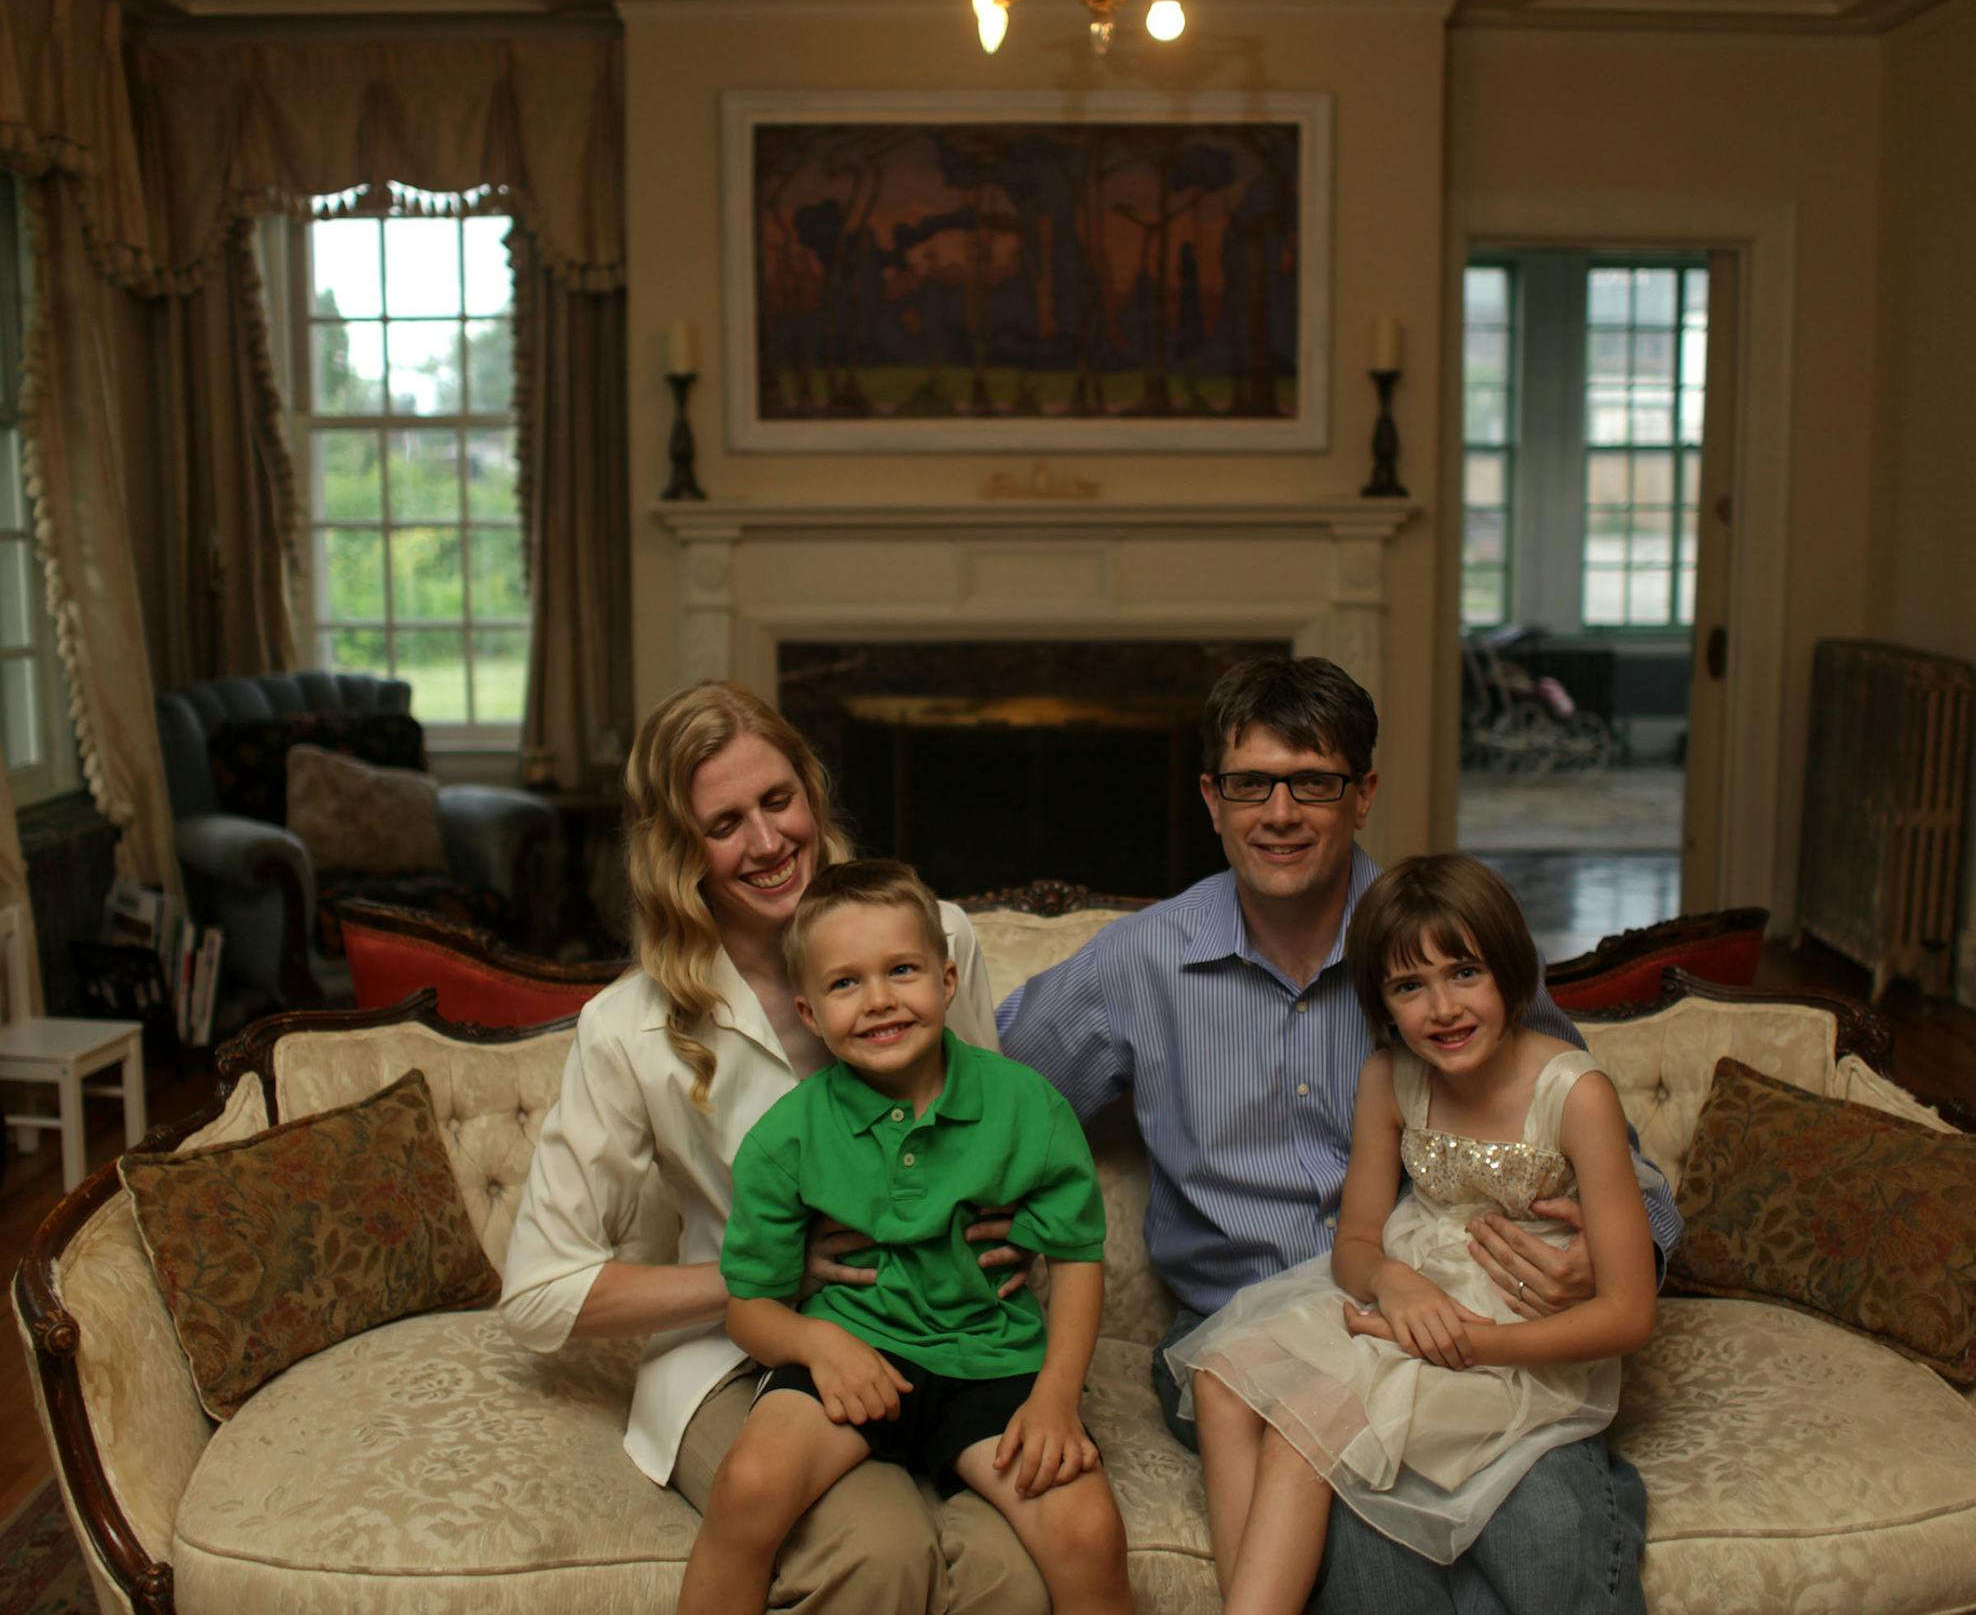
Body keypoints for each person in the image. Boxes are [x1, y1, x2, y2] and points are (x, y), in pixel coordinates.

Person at [998, 654, 1682, 1615]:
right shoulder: (1139, 963)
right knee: (1369, 1570)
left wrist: (1617, 1257)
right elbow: (984, 1094)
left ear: (1362, 794)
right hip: (1243, 1334)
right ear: (1212, 798)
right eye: (1251, 784)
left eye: (1313, 782)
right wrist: (936, 1204)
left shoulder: (1444, 952)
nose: (1280, 812)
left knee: (1553, 1541)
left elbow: (1606, 1148)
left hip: (1451, 1319)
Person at [499, 681, 1048, 1615]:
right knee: (877, 1554)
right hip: (739, 1357)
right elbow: (541, 1295)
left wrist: (1022, 1237)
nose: (765, 842)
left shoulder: (936, 937)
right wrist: (765, 1273)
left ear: (813, 791)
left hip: (947, 1335)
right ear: (680, 849)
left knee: (1012, 1566)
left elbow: (996, 1144)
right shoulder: (630, 1028)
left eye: (777, 800)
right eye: (723, 822)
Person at [1165, 854, 1656, 1612]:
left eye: (1465, 973)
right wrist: (1396, 1281)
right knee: (1220, 1380)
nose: (1442, 1008)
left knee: (1306, 1427)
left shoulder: (1575, 1093)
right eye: (1408, 987)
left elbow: (1629, 1313)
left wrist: (1470, 1342)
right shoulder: (1389, 1078)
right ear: (1383, 1004)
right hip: (1412, 1290)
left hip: (1511, 1331)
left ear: (1513, 973)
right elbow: (1356, 1242)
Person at [687, 859, 1131, 1615]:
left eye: (902, 971)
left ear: (947, 981)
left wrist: (1057, 1399)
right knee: (750, 1486)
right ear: (808, 1009)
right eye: (845, 983)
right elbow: (749, 1309)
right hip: (856, 1354)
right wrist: (813, 1345)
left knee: (1088, 1531)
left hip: (994, 1359)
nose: (880, 1001)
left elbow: (1077, 1257)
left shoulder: (1027, 1105)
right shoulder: (785, 1139)